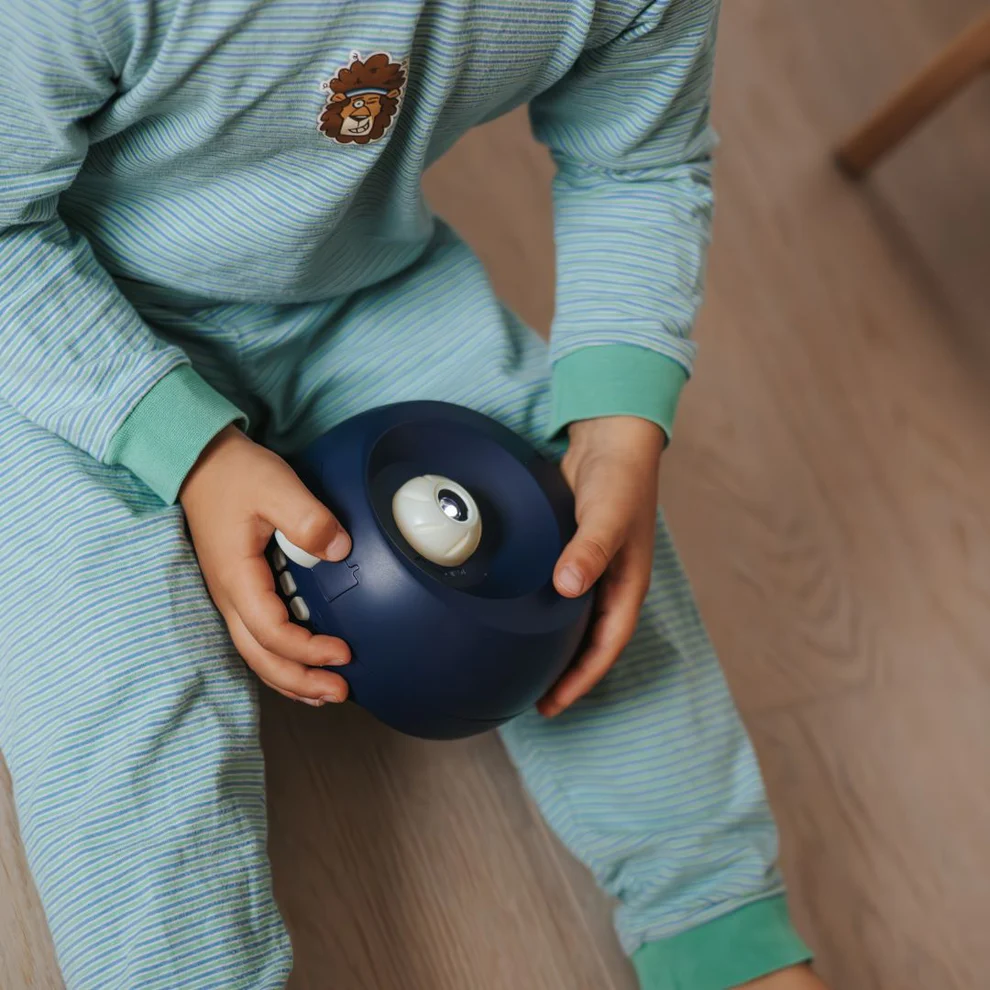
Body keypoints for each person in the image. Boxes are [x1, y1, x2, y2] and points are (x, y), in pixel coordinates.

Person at [0, 1, 829, 987]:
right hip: (55, 317)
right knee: (112, 659)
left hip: (353, 286)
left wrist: (618, 421)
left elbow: (637, 163)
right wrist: (189, 451)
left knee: (573, 553)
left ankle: (719, 934)